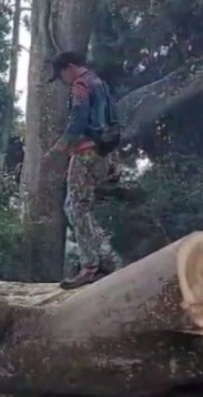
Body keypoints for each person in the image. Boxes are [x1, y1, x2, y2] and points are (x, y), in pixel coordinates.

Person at [45, 51, 124, 290]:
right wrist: (114, 158)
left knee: (74, 206)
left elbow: (77, 121)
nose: (62, 80)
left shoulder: (81, 86)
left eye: (61, 75)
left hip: (86, 153)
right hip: (104, 153)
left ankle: (90, 265)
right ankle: (108, 258)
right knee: (83, 208)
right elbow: (115, 121)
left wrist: (56, 151)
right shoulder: (101, 84)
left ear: (69, 68)